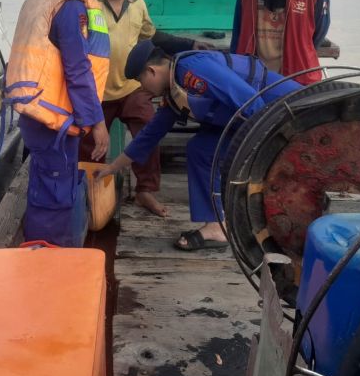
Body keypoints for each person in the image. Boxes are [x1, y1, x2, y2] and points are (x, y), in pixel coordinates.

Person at [95, 40, 301, 250]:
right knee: (200, 150)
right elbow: (149, 136)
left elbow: (248, 101)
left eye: (141, 81)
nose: (142, 87)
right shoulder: (174, 91)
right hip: (244, 121)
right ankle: (216, 227)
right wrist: (112, 168)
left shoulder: (192, 69)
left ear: (152, 71)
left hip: (278, 108)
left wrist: (269, 146)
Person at [80, 0, 211, 217]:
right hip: (97, 91)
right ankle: (88, 192)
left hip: (131, 87)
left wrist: (189, 44)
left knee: (148, 131)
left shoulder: (137, 2)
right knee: (90, 146)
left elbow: (152, 36)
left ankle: (145, 190)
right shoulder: (86, 1)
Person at [4, 0, 110, 247]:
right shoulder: (69, 5)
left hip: (33, 110)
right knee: (55, 192)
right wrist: (97, 122)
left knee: (45, 183)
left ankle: (40, 246)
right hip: (52, 118)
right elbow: (78, 69)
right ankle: (51, 255)